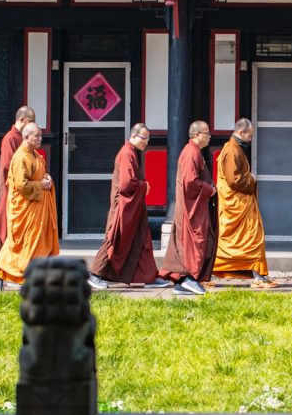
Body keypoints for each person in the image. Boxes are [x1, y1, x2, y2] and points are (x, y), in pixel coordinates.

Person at [88, 124, 169, 290]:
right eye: (144, 138)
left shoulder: (132, 152)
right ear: (134, 136)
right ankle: (95, 274)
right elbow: (126, 185)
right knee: (114, 239)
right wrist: (143, 185)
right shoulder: (126, 153)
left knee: (142, 239)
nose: (146, 142)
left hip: (133, 206)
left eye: (148, 139)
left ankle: (149, 277)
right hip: (123, 207)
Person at [0, 122, 59, 289]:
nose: (40, 139)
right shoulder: (21, 157)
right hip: (26, 209)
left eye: (41, 136)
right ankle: (2, 270)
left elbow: (40, 174)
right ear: (27, 137)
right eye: (37, 136)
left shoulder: (35, 155)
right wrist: (41, 185)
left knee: (37, 241)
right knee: (23, 243)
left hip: (37, 209)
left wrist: (48, 179)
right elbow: (22, 186)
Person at [212, 118, 275, 287]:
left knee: (245, 239)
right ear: (241, 132)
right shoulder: (232, 150)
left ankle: (256, 274)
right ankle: (258, 276)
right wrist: (252, 180)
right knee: (254, 238)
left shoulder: (235, 148)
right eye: (250, 135)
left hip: (240, 204)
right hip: (237, 204)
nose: (251, 139)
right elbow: (234, 180)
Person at [159, 121, 217, 296]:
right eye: (207, 133)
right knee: (199, 242)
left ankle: (183, 283)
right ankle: (190, 279)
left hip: (193, 207)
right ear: (197, 135)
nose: (209, 136)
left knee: (193, 243)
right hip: (191, 209)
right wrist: (210, 189)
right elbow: (190, 183)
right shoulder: (191, 153)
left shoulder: (194, 152)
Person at [0, 105, 34, 272]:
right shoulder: (10, 138)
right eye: (30, 122)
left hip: (19, 184)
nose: (31, 126)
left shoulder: (20, 137)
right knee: (4, 220)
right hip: (11, 185)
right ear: (21, 120)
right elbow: (8, 166)